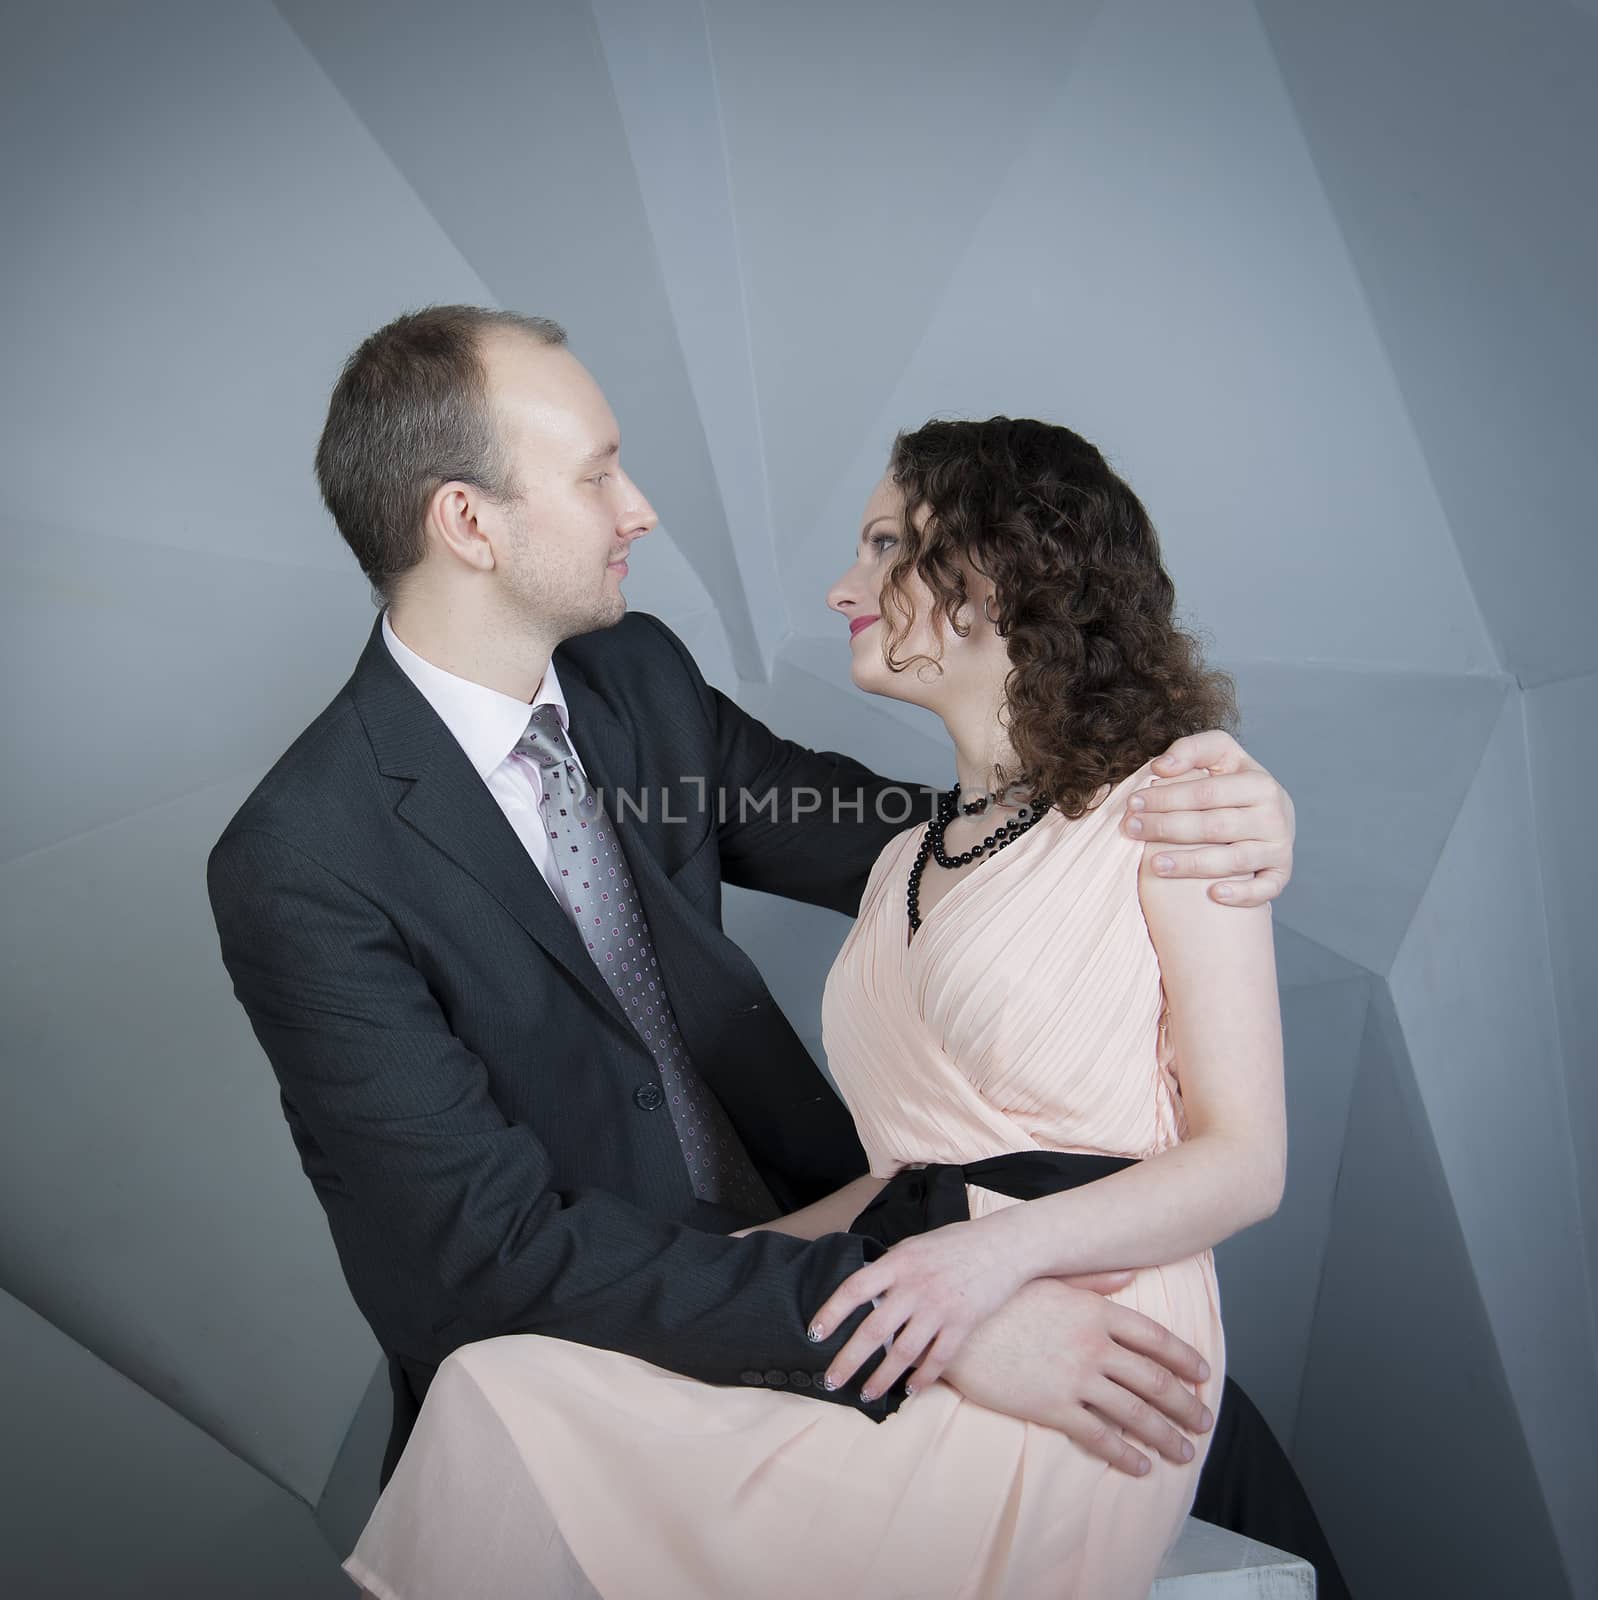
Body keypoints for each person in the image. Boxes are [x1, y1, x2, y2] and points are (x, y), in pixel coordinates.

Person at [203, 306, 1299, 1589]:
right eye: (598, 472)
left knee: (1237, 1465)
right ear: (468, 523)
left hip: (871, 1242)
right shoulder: (303, 859)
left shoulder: (636, 681)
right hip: (635, 1338)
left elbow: (937, 856)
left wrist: (1188, 813)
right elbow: (482, 1262)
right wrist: (918, 1321)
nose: (640, 508)